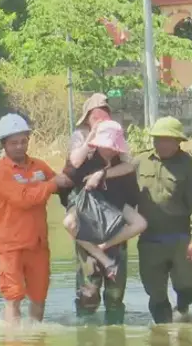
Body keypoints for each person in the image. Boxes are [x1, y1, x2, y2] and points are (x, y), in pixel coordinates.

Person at [0, 113, 72, 325]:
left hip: (38, 245)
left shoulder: (39, 166)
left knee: (39, 297)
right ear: (4, 144)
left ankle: (35, 338)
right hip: (11, 246)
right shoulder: (0, 172)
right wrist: (53, 184)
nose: (19, 146)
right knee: (13, 297)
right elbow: (24, 199)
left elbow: (61, 184)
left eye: (23, 141)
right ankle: (13, 339)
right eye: (14, 142)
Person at [62, 93, 138, 324]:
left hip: (114, 224)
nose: (100, 118)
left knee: (115, 297)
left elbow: (131, 165)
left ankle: (116, 335)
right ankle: (86, 333)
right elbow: (73, 165)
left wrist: (104, 171)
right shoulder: (83, 142)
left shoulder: (118, 148)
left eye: (104, 114)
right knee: (88, 295)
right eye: (95, 115)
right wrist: (92, 139)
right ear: (87, 119)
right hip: (88, 226)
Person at [134, 116, 192, 324]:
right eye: (157, 139)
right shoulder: (139, 162)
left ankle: (183, 308)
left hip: (180, 238)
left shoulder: (191, 167)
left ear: (178, 141)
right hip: (149, 239)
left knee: (186, 284)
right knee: (154, 291)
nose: (161, 144)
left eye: (167, 140)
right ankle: (162, 331)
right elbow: (123, 193)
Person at [62, 120, 147, 280]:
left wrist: (101, 174)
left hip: (113, 204)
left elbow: (129, 169)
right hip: (88, 205)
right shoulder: (86, 158)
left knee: (141, 223)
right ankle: (103, 259)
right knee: (69, 223)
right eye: (106, 145)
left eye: (113, 146)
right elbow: (71, 170)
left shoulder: (121, 161)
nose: (109, 150)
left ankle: (102, 247)